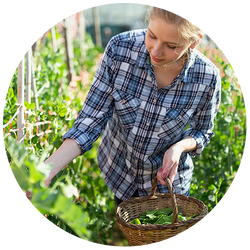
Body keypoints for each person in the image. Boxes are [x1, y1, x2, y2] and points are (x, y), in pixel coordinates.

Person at [41, 5, 221, 206]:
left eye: (171, 46)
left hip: (167, 184)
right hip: (121, 174)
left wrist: (179, 147)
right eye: (152, 35)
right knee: (132, 233)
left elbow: (202, 132)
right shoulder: (121, 50)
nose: (156, 51)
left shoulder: (207, 78)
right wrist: (46, 170)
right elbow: (90, 121)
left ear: (194, 42)